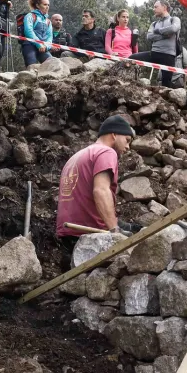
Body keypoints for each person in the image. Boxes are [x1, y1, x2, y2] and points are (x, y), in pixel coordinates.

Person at [55, 115, 136, 269]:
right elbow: (100, 190)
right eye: (127, 140)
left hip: (69, 232)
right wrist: (114, 230)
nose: (128, 147)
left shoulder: (77, 156)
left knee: (132, 227)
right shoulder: (106, 152)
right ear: (114, 134)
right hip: (89, 233)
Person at [132, 0, 180, 86]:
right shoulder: (154, 23)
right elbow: (149, 36)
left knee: (166, 84)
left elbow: (173, 29)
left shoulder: (174, 19)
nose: (153, 9)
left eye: (156, 7)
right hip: (154, 53)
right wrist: (165, 35)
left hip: (168, 56)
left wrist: (158, 31)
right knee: (131, 58)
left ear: (164, 7)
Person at [20, 0, 52, 66]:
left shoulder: (48, 21)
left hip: (43, 48)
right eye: (45, 4)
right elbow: (28, 31)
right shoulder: (30, 16)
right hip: (29, 45)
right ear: (37, 5)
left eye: (48, 5)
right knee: (32, 67)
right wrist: (39, 44)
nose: (47, 7)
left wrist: (46, 46)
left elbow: (50, 38)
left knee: (52, 65)